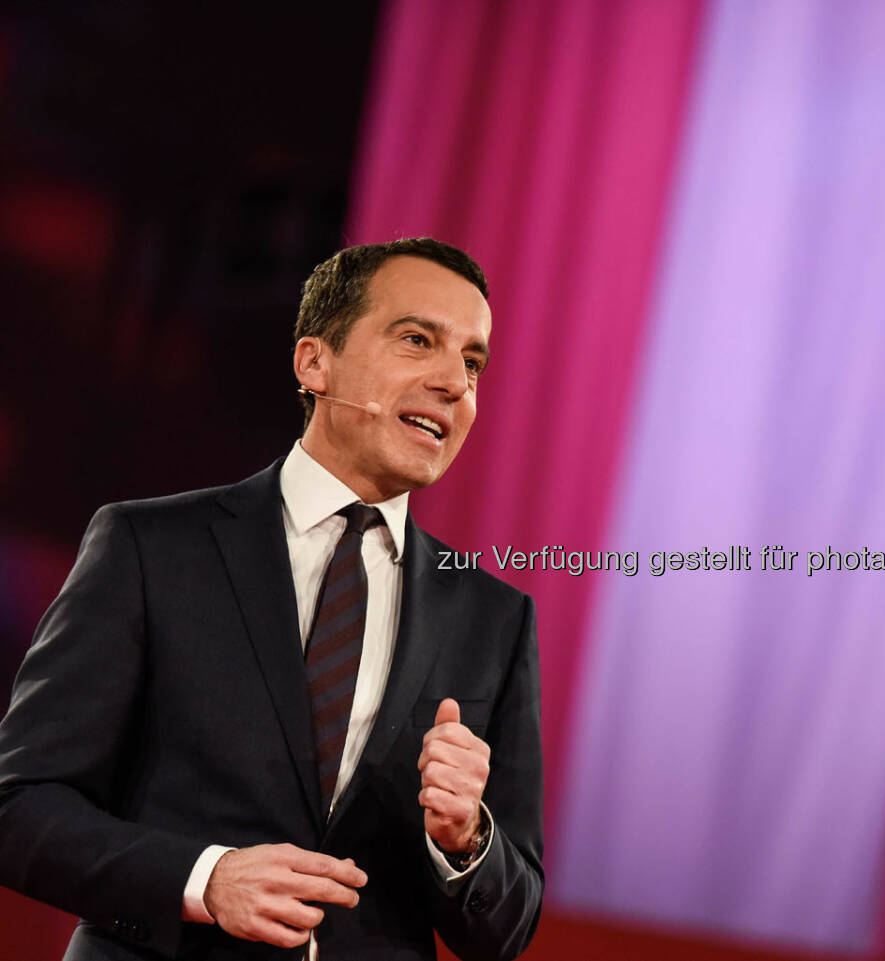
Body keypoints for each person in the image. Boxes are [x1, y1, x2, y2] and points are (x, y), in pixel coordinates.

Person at [0, 238, 543, 960]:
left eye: (472, 362)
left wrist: (467, 838)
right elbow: (20, 806)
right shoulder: (150, 548)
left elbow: (507, 927)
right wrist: (206, 878)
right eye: (418, 340)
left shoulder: (493, 619)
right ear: (315, 362)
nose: (455, 382)